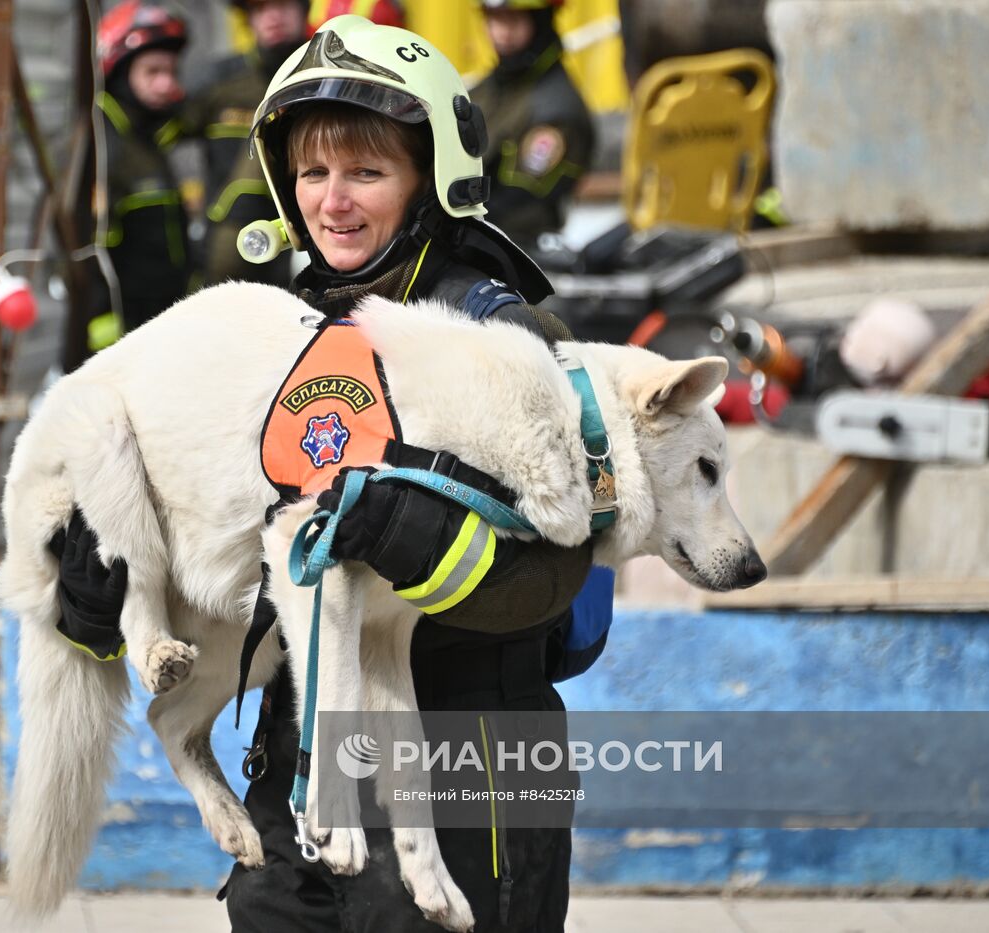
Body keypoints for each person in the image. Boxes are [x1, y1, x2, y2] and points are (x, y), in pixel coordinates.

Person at [53, 16, 616, 931]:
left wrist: (408, 533)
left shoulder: (509, 342)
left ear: (433, 178)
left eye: (366, 172)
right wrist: (103, 574)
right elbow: (217, 522)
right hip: (304, 761)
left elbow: (563, 580)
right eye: (312, 173)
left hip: (471, 766)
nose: (333, 201)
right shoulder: (280, 334)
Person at [65, 0, 193, 372]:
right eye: (152, 71)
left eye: (171, 71)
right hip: (116, 348)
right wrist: (102, 346)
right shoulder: (102, 144)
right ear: (119, 71)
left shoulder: (146, 137)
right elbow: (90, 252)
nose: (167, 83)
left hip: (154, 337)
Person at [184, 0, 309, 289]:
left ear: (303, 10)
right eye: (259, 8)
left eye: (282, 6)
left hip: (308, 237)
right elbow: (156, 134)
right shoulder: (220, 82)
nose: (272, 16)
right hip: (230, 244)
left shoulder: (327, 77)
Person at [471, 0, 595, 244]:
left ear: (540, 20)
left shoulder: (557, 108)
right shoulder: (484, 90)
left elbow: (518, 200)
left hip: (514, 250)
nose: (502, 33)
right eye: (495, 19)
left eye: (514, 20)